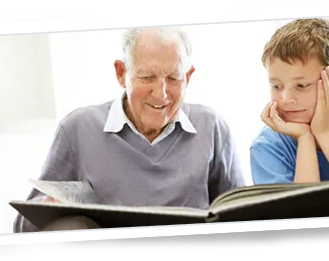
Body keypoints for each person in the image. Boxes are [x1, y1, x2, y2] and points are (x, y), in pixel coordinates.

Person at [13, 26, 246, 232]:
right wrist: (50, 207)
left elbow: (241, 215)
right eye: (147, 77)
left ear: (189, 76)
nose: (161, 93)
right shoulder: (77, 129)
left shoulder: (212, 127)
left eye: (174, 78)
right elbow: (24, 227)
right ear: (121, 73)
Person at [250, 18, 329, 184]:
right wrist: (305, 137)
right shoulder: (267, 147)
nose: (286, 99)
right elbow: (301, 210)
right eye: (276, 86)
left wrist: (324, 134)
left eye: (301, 85)